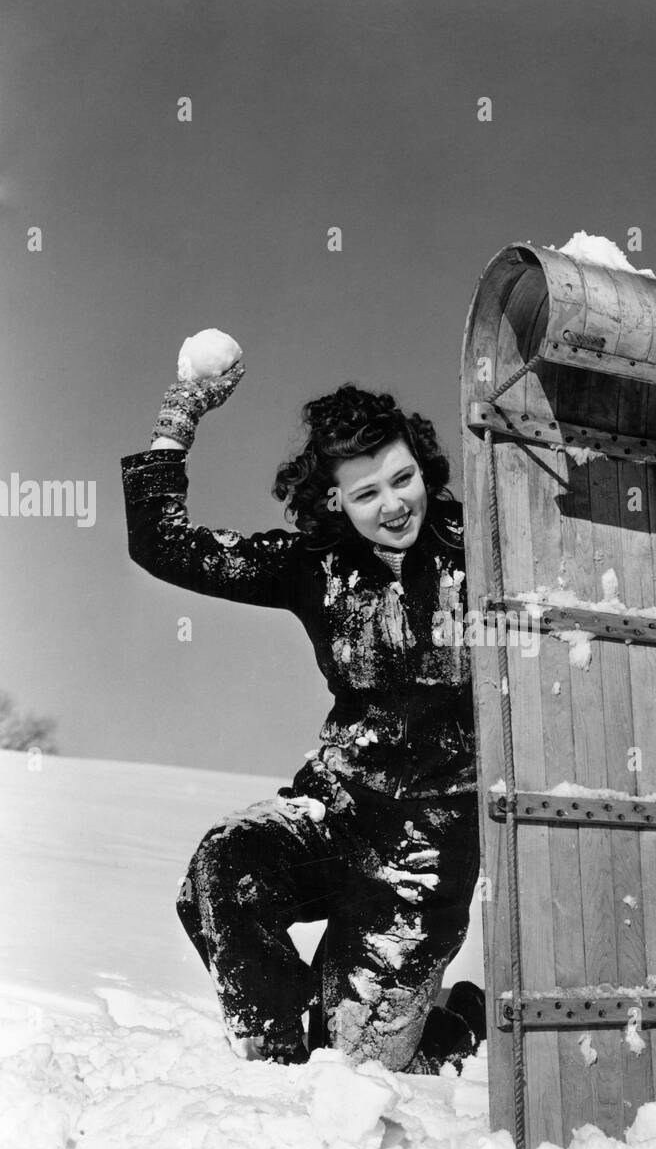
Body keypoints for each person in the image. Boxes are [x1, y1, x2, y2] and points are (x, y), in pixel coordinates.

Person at [121, 357, 486, 1071]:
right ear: (334, 501)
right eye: (366, 492)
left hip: (425, 848)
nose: (392, 505)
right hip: (338, 811)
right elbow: (162, 544)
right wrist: (179, 417)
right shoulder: (311, 567)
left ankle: (454, 1024)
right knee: (226, 863)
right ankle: (278, 1065)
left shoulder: (487, 550)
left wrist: (647, 498)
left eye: (403, 479)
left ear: (426, 470)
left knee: (355, 1063)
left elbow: (580, 550)